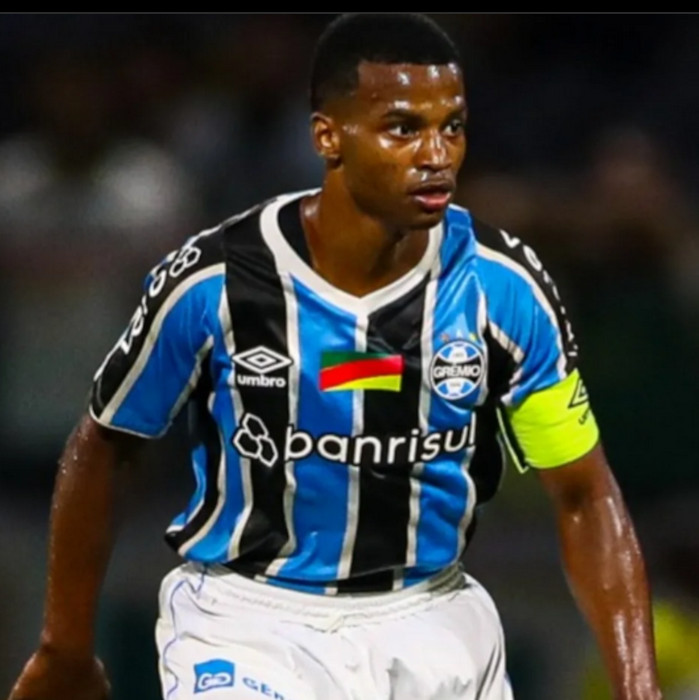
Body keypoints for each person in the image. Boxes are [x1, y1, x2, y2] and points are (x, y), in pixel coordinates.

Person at [8, 13, 662, 700]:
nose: (436, 154)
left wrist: (639, 689)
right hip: (247, 620)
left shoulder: (505, 290)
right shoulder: (215, 282)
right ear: (328, 136)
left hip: (435, 620)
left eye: (453, 127)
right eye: (403, 128)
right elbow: (107, 443)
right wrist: (64, 647)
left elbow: (583, 492)